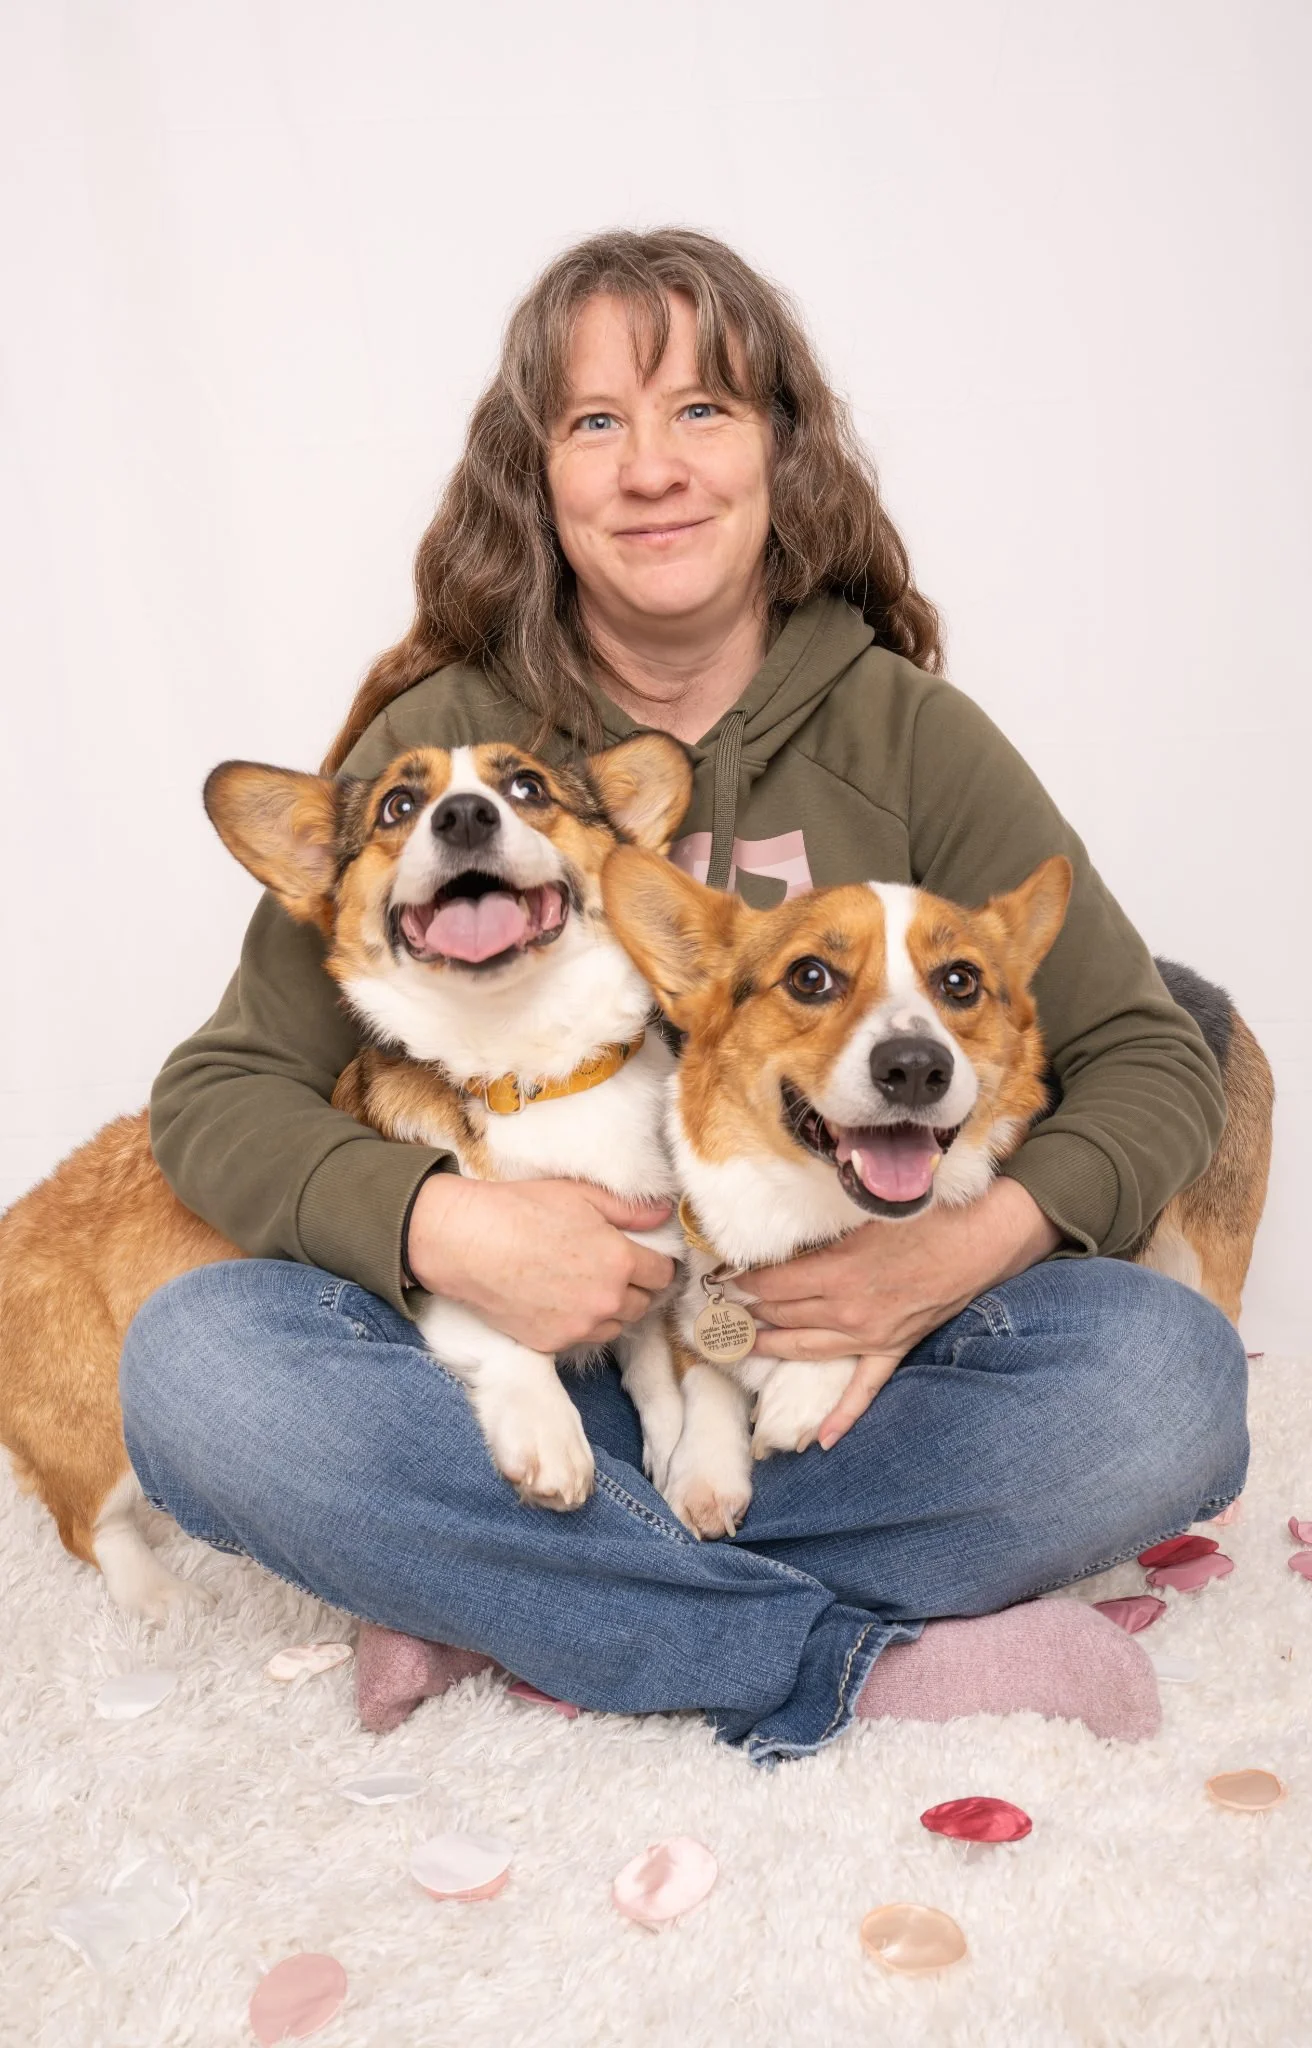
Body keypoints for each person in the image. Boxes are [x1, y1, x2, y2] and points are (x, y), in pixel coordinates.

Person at [121, 229, 1246, 1758]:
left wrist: (953, 1259)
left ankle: (503, 1597)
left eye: (703, 409)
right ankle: (839, 1659)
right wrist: (450, 1231)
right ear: (538, 477)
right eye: (597, 422)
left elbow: (1148, 1050)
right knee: (202, 1375)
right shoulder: (444, 745)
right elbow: (218, 1092)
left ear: (782, 450)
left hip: (826, 1393)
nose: (653, 467)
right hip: (528, 1379)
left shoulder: (909, 734)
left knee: (1161, 1387)